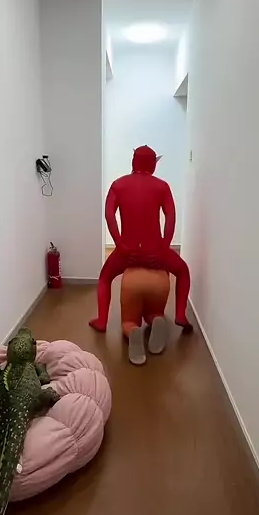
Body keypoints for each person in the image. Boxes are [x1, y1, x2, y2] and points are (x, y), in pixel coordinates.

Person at [89, 145, 193, 333]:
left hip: (126, 253)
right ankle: (180, 315)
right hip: (155, 252)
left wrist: (120, 245)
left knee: (105, 278)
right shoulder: (162, 186)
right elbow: (171, 217)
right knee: (183, 271)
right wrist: (164, 248)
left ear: (133, 162)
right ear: (153, 165)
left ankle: (102, 320)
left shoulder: (118, 185)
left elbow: (109, 215)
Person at [120, 267, 170, 365]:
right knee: (153, 312)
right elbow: (181, 271)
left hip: (132, 283)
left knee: (129, 321)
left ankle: (132, 330)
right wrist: (181, 316)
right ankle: (155, 318)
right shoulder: (164, 257)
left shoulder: (125, 256)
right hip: (160, 282)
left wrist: (101, 320)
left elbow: (105, 279)